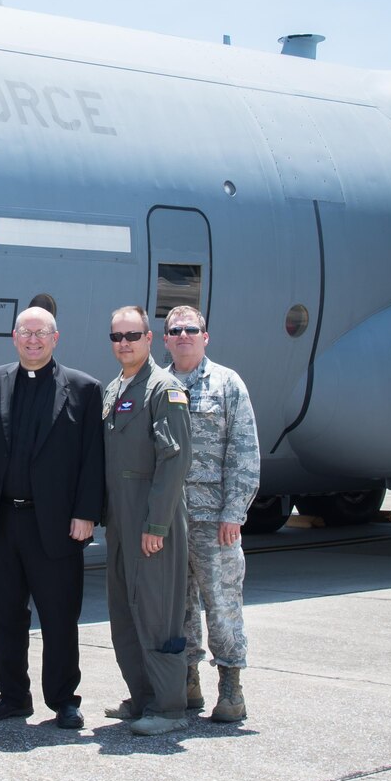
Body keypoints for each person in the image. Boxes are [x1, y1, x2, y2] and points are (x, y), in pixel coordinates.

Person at [0, 306, 104, 730]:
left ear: (55, 338)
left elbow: (92, 460)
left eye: (40, 333)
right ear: (13, 337)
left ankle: (64, 699)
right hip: (5, 522)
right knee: (5, 615)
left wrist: (86, 514)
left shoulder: (83, 388)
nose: (32, 340)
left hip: (59, 525)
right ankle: (12, 697)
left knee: (60, 616)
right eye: (25, 333)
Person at [99, 305, 195, 736]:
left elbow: (174, 461)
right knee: (124, 612)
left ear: (149, 339)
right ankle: (142, 697)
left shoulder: (164, 389)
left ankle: (169, 707)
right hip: (121, 522)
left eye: (132, 336)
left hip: (152, 523)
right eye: (117, 337)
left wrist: (156, 526)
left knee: (157, 613)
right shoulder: (114, 388)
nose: (124, 344)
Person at [163, 305, 261, 723]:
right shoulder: (157, 385)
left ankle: (231, 687)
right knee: (178, 609)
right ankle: (188, 682)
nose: (183, 335)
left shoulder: (226, 383)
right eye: (175, 330)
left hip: (212, 520)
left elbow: (244, 451)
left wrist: (233, 513)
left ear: (205, 336)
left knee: (221, 604)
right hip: (168, 522)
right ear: (165, 338)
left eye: (191, 329)